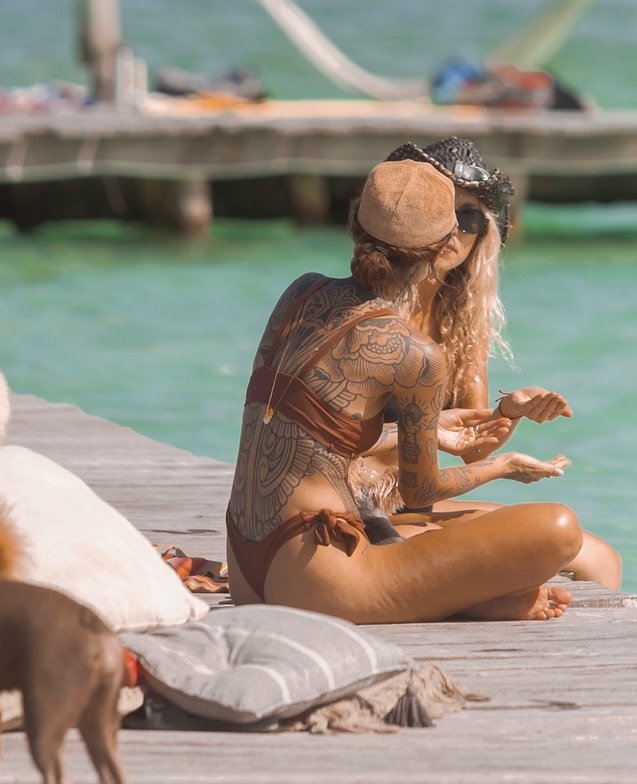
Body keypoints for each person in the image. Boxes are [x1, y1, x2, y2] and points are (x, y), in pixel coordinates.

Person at [226, 157, 583, 621]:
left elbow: (313, 427)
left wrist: (446, 426)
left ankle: (479, 600)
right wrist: (502, 465)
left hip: (242, 562)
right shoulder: (416, 355)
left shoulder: (300, 293)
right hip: (318, 572)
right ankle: (475, 602)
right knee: (559, 528)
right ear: (442, 248)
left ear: (355, 227)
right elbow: (422, 491)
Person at [374, 135, 622, 589]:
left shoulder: (460, 321)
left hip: (415, 503)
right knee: (549, 559)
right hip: (364, 509)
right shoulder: (373, 314)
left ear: (486, 230)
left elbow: (469, 444)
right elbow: (328, 441)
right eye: (442, 211)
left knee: (600, 559)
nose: (454, 231)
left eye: (469, 217)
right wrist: (494, 459)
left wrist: (509, 413)